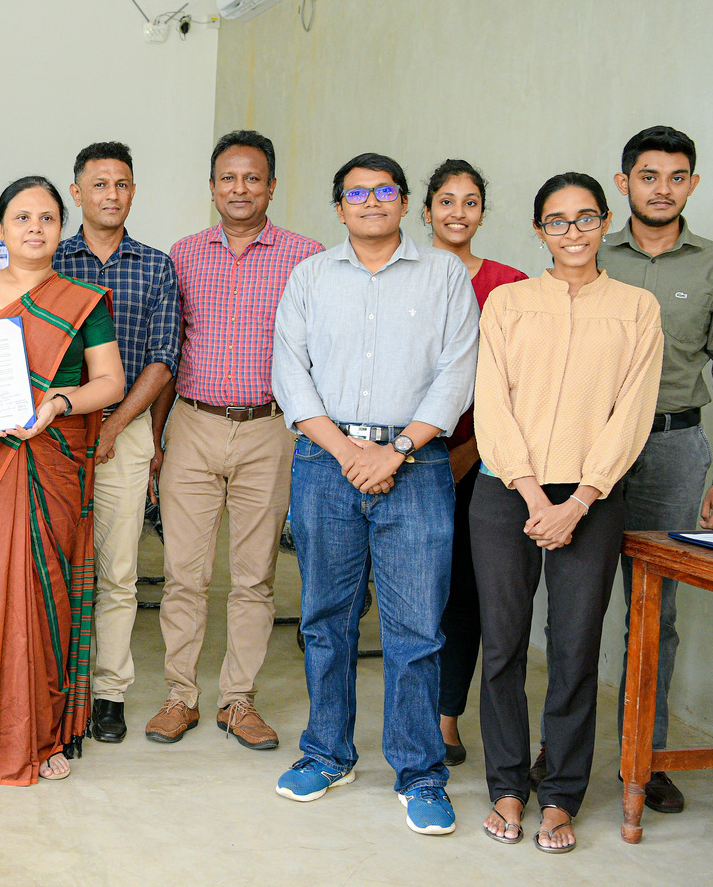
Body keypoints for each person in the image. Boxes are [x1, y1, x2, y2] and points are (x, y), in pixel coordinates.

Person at [270, 153, 477, 836]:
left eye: (383, 190)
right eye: (356, 192)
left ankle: (419, 772)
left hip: (415, 466)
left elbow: (456, 373)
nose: (370, 201)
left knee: (415, 627)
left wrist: (395, 450)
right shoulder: (309, 276)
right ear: (338, 207)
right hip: (325, 463)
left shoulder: (445, 275)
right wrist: (349, 451)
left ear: (403, 201)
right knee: (325, 618)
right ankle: (327, 752)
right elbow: (290, 375)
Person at [470, 172, 661, 853]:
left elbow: (631, 412)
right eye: (557, 221)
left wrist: (580, 498)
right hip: (506, 495)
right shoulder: (509, 303)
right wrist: (531, 496)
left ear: (606, 222)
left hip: (592, 497)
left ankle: (560, 797)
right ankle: (507, 787)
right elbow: (491, 400)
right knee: (505, 644)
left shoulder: (637, 307)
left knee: (577, 648)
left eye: (585, 219)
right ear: (537, 230)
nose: (572, 232)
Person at [0, 176, 126, 785]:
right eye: (22, 218)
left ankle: (41, 735)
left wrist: (58, 404)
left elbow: (110, 384)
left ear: (60, 228)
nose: (35, 228)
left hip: (51, 462)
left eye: (47, 218)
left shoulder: (83, 300)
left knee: (44, 595)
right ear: (1, 228)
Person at [145, 131, 321, 751]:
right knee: (183, 575)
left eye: (252, 178)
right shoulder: (183, 254)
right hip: (192, 423)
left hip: (270, 428)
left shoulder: (307, 257)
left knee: (255, 578)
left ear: (271, 186)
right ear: (213, 186)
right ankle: (179, 696)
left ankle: (238, 700)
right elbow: (169, 351)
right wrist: (159, 437)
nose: (240, 189)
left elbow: (318, 353)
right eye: (228, 178)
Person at [598, 125, 713, 814]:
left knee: (655, 614)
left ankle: (649, 755)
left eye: (677, 176)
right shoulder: (591, 257)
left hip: (673, 450)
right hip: (593, 451)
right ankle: (560, 751)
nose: (663, 188)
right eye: (649, 175)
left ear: (692, 184)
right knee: (574, 606)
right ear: (623, 182)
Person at [50, 142, 178, 745]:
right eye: (98, 184)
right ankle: (56, 686)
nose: (111, 194)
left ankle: (108, 693)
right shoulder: (51, 258)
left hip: (122, 436)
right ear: (76, 193)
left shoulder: (156, 266)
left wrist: (119, 425)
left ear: (133, 192)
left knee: (118, 572)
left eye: (122, 184)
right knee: (54, 565)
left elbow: (162, 360)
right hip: (52, 435)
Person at [421, 160, 529, 767]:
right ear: (427, 209)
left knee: (466, 591)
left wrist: (476, 452)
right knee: (416, 592)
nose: (458, 212)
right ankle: (408, 711)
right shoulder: (407, 273)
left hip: (487, 460)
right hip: (411, 455)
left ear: (483, 212)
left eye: (470, 202)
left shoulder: (510, 285)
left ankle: (445, 717)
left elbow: (518, 383)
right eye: (446, 200)